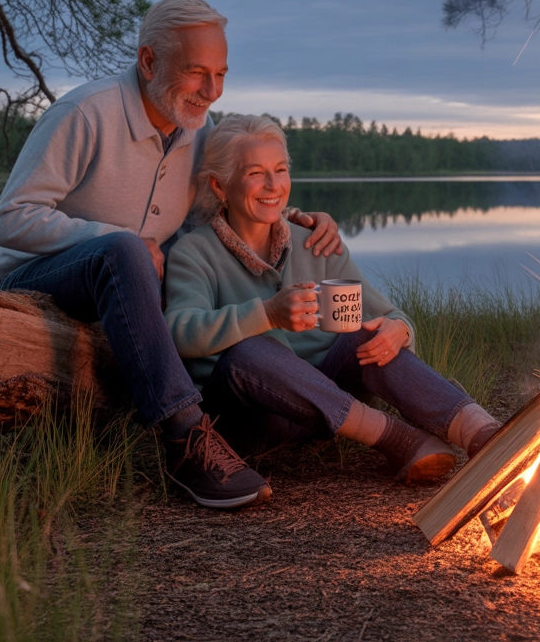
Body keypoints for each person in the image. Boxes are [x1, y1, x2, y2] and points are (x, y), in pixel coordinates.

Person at [0, 0, 342, 510]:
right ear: (149, 61)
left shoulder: (198, 130)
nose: (211, 90)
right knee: (124, 250)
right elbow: (10, 219)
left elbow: (217, 214)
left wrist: (294, 217)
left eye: (220, 73)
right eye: (196, 72)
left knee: (161, 265)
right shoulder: (86, 114)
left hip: (131, 291)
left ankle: (248, 415)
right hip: (41, 280)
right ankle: (184, 437)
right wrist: (118, 239)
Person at [165, 115, 502, 484]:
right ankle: (397, 438)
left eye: (280, 170)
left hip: (330, 411)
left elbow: (388, 313)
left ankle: (482, 433)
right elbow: (180, 331)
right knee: (250, 352)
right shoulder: (194, 252)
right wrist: (267, 315)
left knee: (365, 335)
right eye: (254, 173)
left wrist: (398, 330)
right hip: (252, 419)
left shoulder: (316, 241)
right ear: (219, 185)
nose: (273, 185)